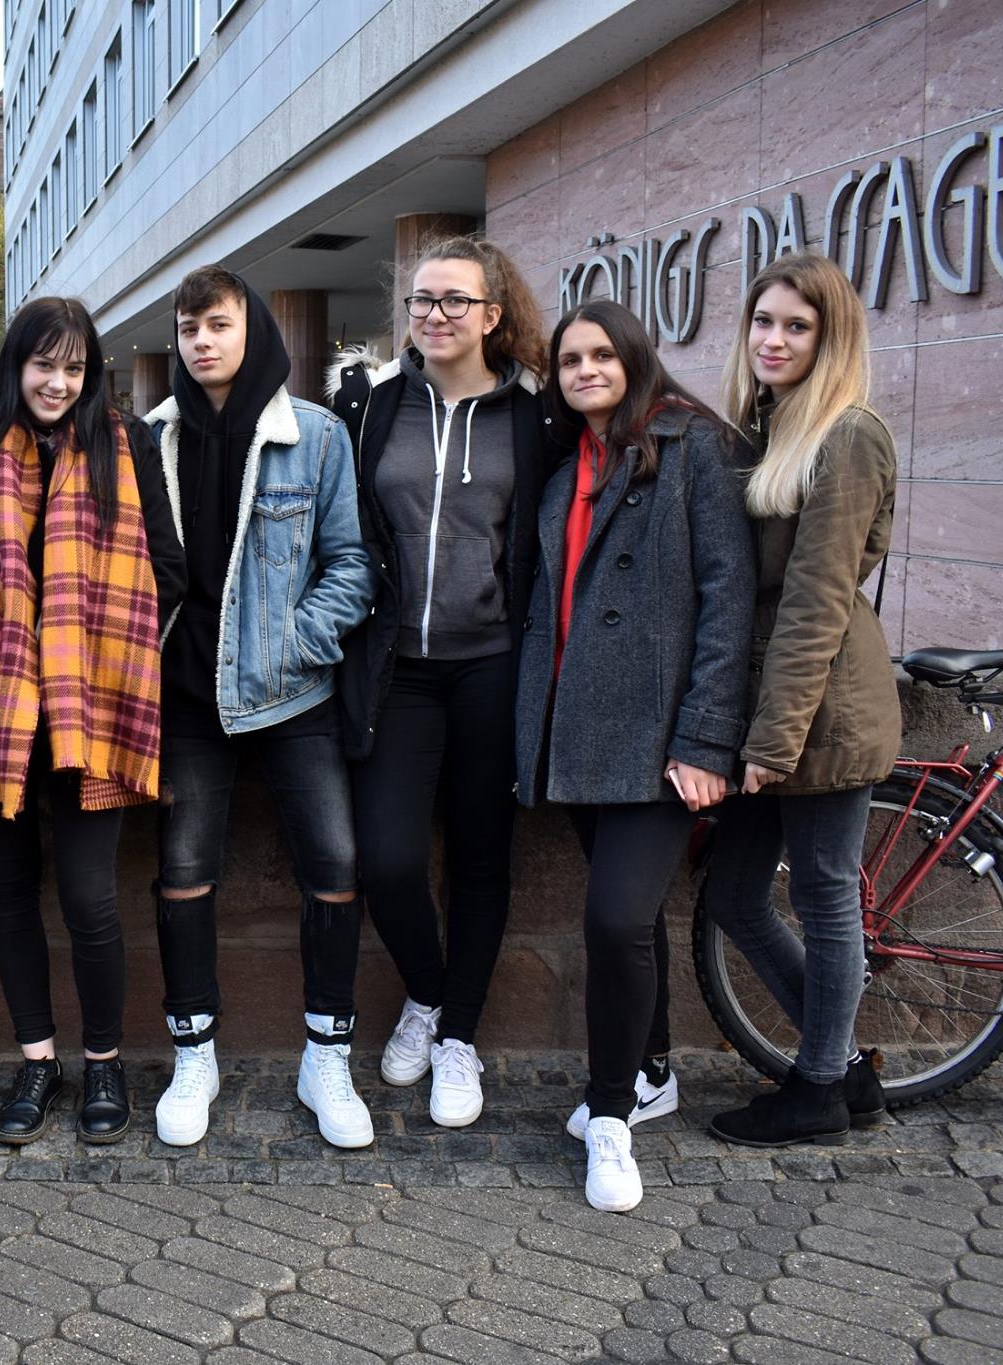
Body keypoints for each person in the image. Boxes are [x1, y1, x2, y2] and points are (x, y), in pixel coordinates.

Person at [0, 298, 185, 1145]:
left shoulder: (126, 445)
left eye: (74, 367)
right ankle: (37, 1060)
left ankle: (104, 1061)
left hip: (91, 702)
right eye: (43, 365)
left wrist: (96, 647)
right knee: (8, 891)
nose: (58, 382)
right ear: (15, 366)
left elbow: (169, 568)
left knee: (90, 897)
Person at [514, 300, 754, 1211]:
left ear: (635, 358)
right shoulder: (566, 464)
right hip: (576, 728)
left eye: (602, 355)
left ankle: (610, 1114)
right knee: (636, 917)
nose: (584, 370)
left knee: (614, 920)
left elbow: (727, 599)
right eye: (570, 359)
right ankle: (652, 1071)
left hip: (659, 738)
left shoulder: (692, 446)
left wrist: (705, 738)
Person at [147, 266, 374, 1150]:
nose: (202, 341)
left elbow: (351, 563)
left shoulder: (313, 435)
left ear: (254, 330)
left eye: (219, 324)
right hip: (186, 694)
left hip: (292, 690)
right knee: (182, 868)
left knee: (337, 862)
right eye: (189, 327)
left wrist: (294, 640)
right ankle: (193, 1054)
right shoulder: (151, 439)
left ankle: (327, 1056)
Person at [328, 234, 548, 1129]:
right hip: (399, 668)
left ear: (492, 313)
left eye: (455, 300)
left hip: (492, 662)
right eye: (422, 299)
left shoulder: (533, 415)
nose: (435, 315)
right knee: (385, 858)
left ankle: (459, 1035)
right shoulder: (372, 403)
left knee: (482, 856)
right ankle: (426, 992)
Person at [706, 251, 900, 1147]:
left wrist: (772, 740)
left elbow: (818, 598)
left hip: (823, 709)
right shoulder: (769, 423)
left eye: (797, 325)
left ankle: (819, 1087)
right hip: (773, 709)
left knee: (824, 896)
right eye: (764, 321)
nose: (774, 339)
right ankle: (841, 1067)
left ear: (831, 337)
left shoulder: (846, 434)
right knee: (735, 895)